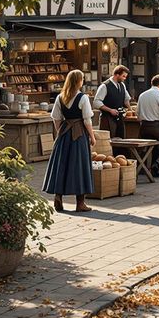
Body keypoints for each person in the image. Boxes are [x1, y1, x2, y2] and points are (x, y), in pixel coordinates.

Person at [43, 69, 96, 213]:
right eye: (82, 79)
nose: (83, 81)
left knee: (62, 165)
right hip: (78, 135)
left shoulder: (61, 97)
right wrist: (92, 136)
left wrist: (60, 131)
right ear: (78, 81)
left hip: (64, 133)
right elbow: (87, 120)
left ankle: (58, 196)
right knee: (80, 165)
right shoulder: (83, 98)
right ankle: (80, 203)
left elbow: (56, 118)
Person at [94, 65, 130, 139]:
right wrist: (110, 110)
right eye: (123, 76)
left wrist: (130, 109)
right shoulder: (105, 86)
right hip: (107, 118)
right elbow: (96, 102)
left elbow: (126, 99)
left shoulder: (122, 85)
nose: (124, 78)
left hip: (119, 118)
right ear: (117, 75)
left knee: (121, 140)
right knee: (109, 141)